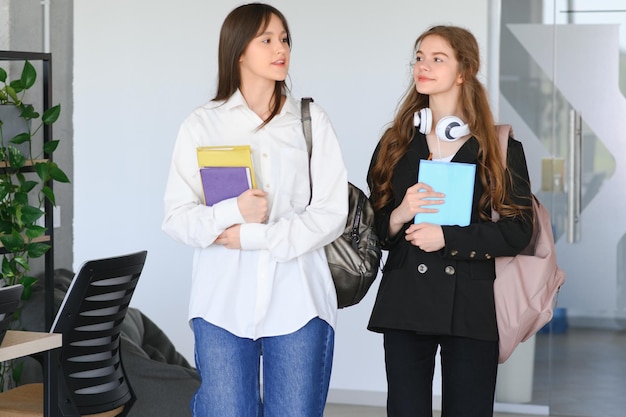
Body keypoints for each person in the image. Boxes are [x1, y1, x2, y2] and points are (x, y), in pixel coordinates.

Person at [161, 3, 348, 417]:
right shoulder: (202, 124)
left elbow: (332, 212)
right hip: (221, 305)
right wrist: (232, 211)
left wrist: (254, 236)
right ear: (238, 51)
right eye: (266, 39)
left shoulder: (310, 120)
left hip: (299, 302)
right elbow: (176, 217)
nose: (280, 48)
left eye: (284, 39)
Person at [366, 25, 534, 417]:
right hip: (406, 301)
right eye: (419, 58)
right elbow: (374, 230)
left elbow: (519, 231)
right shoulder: (394, 144)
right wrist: (401, 215)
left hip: (472, 304)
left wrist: (448, 237)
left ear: (464, 71)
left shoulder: (500, 148)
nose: (423, 66)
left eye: (437, 59)